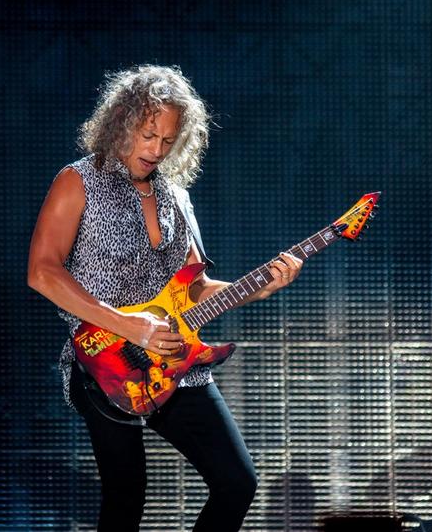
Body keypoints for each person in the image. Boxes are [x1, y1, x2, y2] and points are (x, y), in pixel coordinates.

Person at [27, 64, 302, 531]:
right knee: (126, 494)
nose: (156, 150)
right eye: (148, 135)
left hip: (174, 358)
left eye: (168, 140)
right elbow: (42, 272)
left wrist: (261, 287)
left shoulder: (176, 197)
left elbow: (194, 289)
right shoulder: (78, 181)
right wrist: (131, 327)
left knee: (237, 482)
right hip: (103, 359)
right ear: (121, 123)